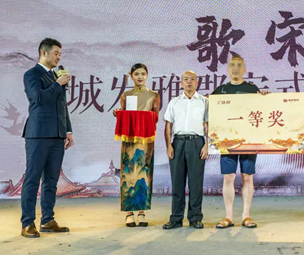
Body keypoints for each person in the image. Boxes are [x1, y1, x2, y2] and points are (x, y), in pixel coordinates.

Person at [21, 38, 74, 238]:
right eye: (56, 53)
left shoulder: (56, 76)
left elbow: (62, 106)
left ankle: (47, 220)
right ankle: (27, 223)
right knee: (32, 178)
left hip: (57, 135)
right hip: (38, 134)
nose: (59, 57)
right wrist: (58, 84)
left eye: (60, 54)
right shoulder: (31, 74)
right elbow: (39, 99)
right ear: (44, 53)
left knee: (51, 180)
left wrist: (68, 131)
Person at [212, 56, 270, 229]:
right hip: (227, 140)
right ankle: (228, 216)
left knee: (247, 176)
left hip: (248, 139)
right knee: (228, 177)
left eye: (239, 65)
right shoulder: (220, 91)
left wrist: (265, 98)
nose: (235, 68)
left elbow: (262, 112)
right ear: (227, 70)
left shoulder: (252, 89)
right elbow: (212, 114)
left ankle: (246, 216)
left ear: (244, 70)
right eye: (232, 65)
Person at [113, 64, 160, 227]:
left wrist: (143, 116)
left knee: (144, 175)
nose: (140, 77)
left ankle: (141, 212)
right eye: (136, 74)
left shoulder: (154, 95)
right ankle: (129, 213)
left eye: (143, 74)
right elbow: (124, 114)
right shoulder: (126, 95)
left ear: (147, 75)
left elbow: (155, 117)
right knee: (128, 173)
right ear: (131, 76)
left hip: (146, 141)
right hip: (130, 140)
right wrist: (118, 113)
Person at [162, 71, 209, 230]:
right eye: (186, 79)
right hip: (178, 143)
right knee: (177, 183)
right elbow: (168, 125)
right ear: (181, 83)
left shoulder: (204, 102)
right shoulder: (174, 102)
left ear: (197, 82)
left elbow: (210, 125)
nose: (189, 82)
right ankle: (176, 218)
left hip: (197, 143)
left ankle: (195, 218)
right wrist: (169, 146)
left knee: (196, 183)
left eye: (192, 79)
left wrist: (207, 145)